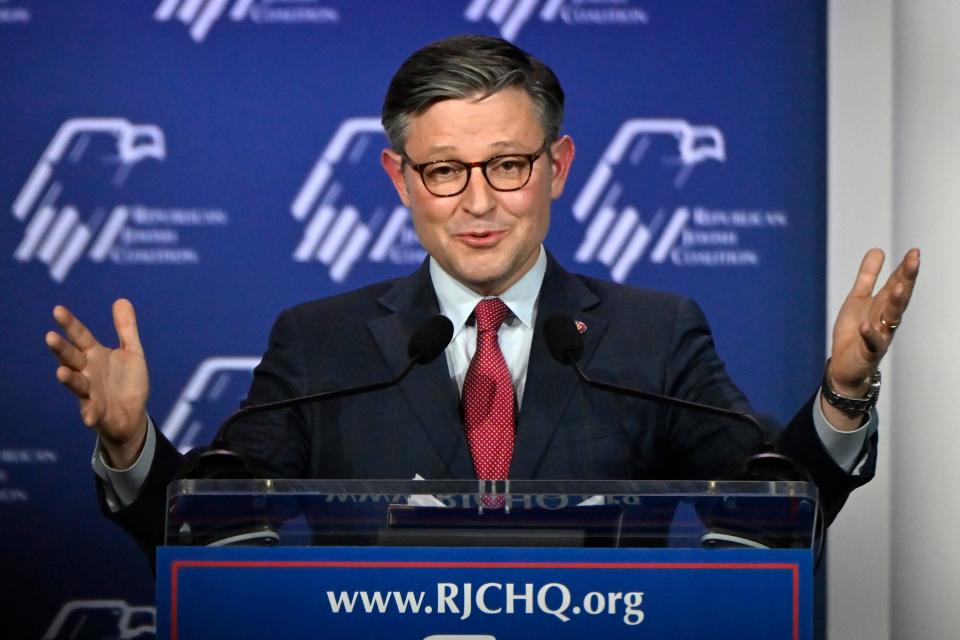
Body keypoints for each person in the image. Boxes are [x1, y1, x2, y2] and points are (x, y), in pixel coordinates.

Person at [46, 35, 919, 552]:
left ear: (557, 168)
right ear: (399, 178)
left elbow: (769, 514)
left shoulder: (655, 336)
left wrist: (842, 398)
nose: (476, 201)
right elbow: (214, 534)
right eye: (443, 170)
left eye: (506, 164)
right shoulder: (320, 342)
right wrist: (133, 448)